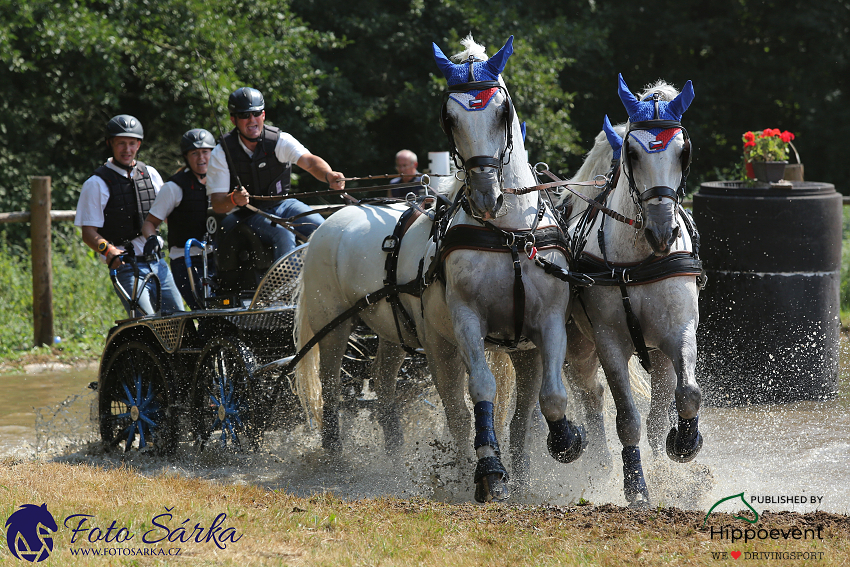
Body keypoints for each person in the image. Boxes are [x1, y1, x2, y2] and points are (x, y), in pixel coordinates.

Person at [206, 87, 345, 262]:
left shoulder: (279, 140)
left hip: (284, 204)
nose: (252, 120)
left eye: (256, 113)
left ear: (263, 115)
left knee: (323, 228)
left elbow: (309, 162)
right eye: (244, 115)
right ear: (233, 119)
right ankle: (287, 287)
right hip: (249, 213)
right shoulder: (221, 152)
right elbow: (218, 205)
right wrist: (234, 199)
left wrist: (329, 176)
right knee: (282, 233)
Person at [75, 114, 184, 317]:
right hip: (126, 265)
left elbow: (169, 216)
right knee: (146, 323)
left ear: (139, 145)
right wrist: (108, 251)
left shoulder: (151, 174)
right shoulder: (96, 183)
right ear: (111, 144)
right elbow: (88, 233)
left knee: (180, 318)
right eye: (121, 143)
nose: (127, 149)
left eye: (131, 143)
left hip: (158, 262)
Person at [142, 128, 216, 310]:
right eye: (195, 153)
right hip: (187, 260)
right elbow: (150, 222)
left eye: (205, 152)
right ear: (186, 157)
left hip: (217, 258)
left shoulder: (221, 181)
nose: (201, 159)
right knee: (204, 311)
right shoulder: (174, 187)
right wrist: (152, 238)